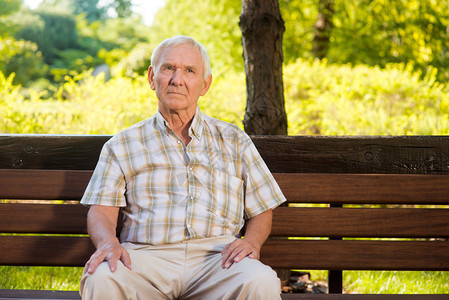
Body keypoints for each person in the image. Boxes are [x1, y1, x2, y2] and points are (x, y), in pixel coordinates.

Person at [79, 35, 286, 300]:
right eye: (169, 68)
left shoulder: (234, 140)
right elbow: (101, 211)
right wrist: (108, 243)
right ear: (152, 78)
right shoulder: (122, 144)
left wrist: (251, 242)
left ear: (205, 84)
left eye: (189, 71)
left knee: (260, 280)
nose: (177, 79)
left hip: (217, 261)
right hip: (144, 260)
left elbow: (262, 210)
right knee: (103, 277)